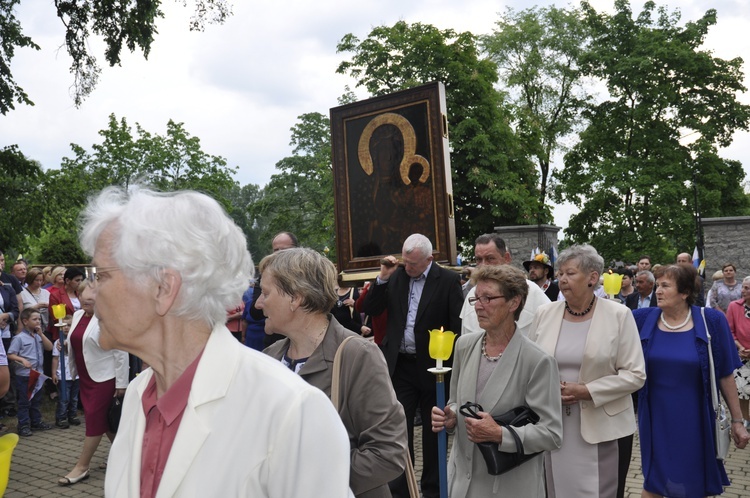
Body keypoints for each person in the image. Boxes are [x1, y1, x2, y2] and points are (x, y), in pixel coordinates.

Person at [79, 186, 352, 497]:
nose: (89, 294)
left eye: (100, 275)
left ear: (163, 288)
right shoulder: (137, 397)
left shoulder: (290, 410)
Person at [260, 248, 407, 498]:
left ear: (295, 298)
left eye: (266, 293)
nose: (258, 303)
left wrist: (311, 484)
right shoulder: (269, 358)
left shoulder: (357, 355)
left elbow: (387, 452)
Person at [431, 265, 562, 497]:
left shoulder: (538, 360)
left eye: (488, 298)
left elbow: (551, 434)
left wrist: (500, 434)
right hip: (462, 484)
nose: (478, 306)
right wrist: (450, 418)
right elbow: (455, 402)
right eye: (476, 298)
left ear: (514, 303)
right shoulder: (464, 346)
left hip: (510, 487)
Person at [528, 244, 646, 498]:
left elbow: (636, 375)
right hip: (554, 424)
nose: (562, 279)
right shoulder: (545, 313)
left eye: (570, 273)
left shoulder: (619, 315)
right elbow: (530, 364)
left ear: (593, 278)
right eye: (560, 273)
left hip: (603, 427)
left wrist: (587, 391)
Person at [633, 264, 750, 497]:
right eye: (657, 285)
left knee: (692, 481)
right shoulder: (643, 318)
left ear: (685, 292)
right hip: (654, 417)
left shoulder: (711, 321)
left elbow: (725, 374)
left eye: (665, 286)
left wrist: (738, 420)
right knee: (654, 480)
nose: (658, 291)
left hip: (696, 418)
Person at [361, 233, 463, 498]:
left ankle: (432, 490)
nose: (408, 268)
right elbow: (371, 307)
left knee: (433, 433)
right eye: (405, 262)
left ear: (429, 259)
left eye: (414, 264)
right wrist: (383, 277)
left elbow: (457, 325)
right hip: (402, 367)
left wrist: (454, 364)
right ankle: (402, 489)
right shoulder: (396, 277)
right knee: (399, 429)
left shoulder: (448, 281)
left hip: (434, 368)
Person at [57, 280, 129, 485]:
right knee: (105, 423)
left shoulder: (109, 319)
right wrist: (65, 340)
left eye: (90, 301)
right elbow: (78, 339)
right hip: (86, 377)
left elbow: (121, 353)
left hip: (105, 379)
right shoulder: (78, 315)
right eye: (82, 298)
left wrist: (121, 384)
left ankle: (82, 466)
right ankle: (129, 456)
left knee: (94, 421)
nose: (85, 303)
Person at [462, 234, 550, 338]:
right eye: (478, 259)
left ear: (506, 258)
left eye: (490, 258)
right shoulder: (471, 296)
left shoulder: (533, 292)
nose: (483, 266)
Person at [246, 231, 299, 348]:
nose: (279, 254)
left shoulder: (305, 274)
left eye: (284, 250)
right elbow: (255, 313)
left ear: (296, 249)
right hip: (274, 341)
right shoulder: (265, 276)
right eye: (276, 250)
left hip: (301, 339)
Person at [7, 308, 54, 436]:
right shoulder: (19, 338)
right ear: (25, 321)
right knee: (25, 401)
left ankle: (36, 422)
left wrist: (41, 334)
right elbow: (10, 354)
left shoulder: (39, 336)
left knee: (36, 400)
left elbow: (49, 347)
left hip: (38, 374)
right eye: (35, 319)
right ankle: (23, 425)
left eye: (39, 319)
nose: (38, 321)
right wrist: (22, 359)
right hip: (24, 376)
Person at [726, 276, 750, 424]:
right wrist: (741, 348)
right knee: (742, 391)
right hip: (741, 355)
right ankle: (746, 419)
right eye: (743, 287)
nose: (743, 291)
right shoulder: (734, 306)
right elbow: (730, 331)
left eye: (747, 288)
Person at [51, 315, 80, 429]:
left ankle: (72, 415)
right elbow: (55, 358)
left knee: (74, 398)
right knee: (64, 398)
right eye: (64, 325)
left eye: (69, 325)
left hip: (76, 375)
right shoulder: (58, 342)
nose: (66, 328)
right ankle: (61, 417)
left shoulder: (77, 341)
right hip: (63, 376)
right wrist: (53, 373)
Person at [47, 267, 85, 339]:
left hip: (81, 331)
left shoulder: (80, 293)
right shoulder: (55, 296)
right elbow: (56, 319)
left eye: (81, 280)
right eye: (77, 280)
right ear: (67, 280)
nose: (80, 283)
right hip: (64, 333)